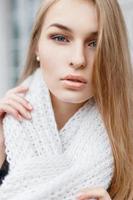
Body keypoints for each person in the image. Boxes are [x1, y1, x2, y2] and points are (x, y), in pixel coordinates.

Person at [0, 0, 133, 199]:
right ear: (36, 46)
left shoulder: (127, 140)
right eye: (60, 38)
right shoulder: (6, 128)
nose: (78, 59)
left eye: (95, 43)